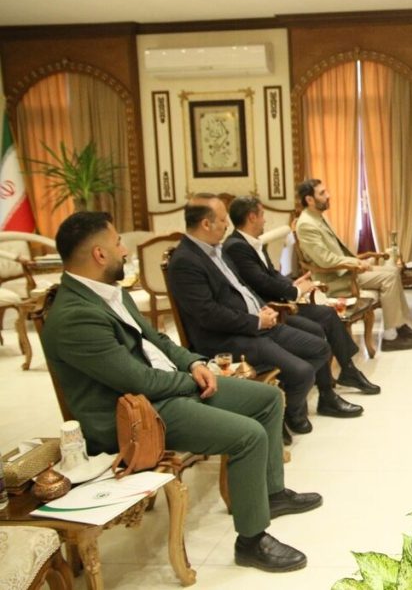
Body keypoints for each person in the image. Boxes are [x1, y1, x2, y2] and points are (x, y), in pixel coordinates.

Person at [41, 212, 319, 573]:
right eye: (119, 242)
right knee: (248, 435)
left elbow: (156, 339)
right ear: (99, 254)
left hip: (164, 391)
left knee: (266, 399)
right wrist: (192, 381)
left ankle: (271, 494)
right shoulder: (75, 316)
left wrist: (193, 363)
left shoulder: (110, 292)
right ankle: (251, 540)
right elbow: (139, 382)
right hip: (135, 415)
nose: (125, 250)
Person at [167, 193, 357, 438]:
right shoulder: (186, 261)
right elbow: (208, 314)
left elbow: (242, 288)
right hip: (226, 338)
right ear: (206, 224)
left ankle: (286, 409)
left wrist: (262, 308)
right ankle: (282, 413)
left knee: (320, 348)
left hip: (254, 324)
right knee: (302, 372)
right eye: (223, 220)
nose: (227, 225)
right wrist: (256, 320)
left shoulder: (216, 249)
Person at [224, 194, 380, 395]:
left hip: (280, 301)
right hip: (272, 308)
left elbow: (271, 274)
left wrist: (292, 283)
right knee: (317, 327)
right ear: (252, 217)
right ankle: (328, 390)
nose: (265, 220)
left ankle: (348, 370)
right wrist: (296, 291)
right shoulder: (236, 246)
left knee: (328, 314)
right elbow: (260, 282)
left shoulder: (252, 242)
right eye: (262, 214)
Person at [294, 178, 412, 352]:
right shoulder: (306, 224)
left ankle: (400, 326)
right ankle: (390, 337)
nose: (328, 195)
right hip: (333, 279)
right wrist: (355, 262)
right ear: (309, 199)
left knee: (393, 271)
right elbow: (325, 260)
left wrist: (358, 261)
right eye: (322, 193)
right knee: (389, 278)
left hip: (345, 271)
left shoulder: (317, 217)